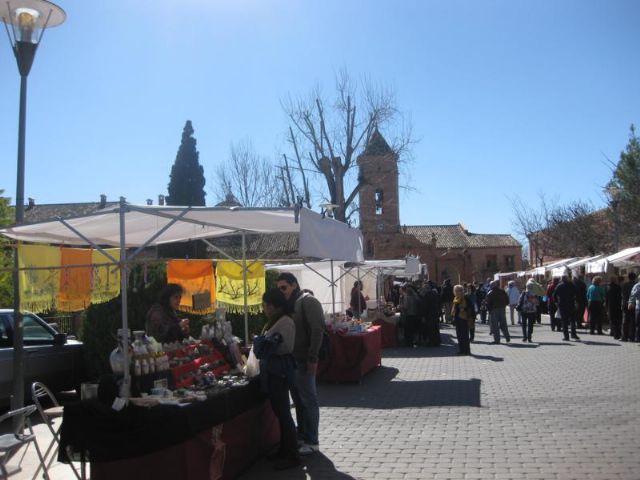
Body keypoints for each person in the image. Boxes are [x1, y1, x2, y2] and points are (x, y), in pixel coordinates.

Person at [275, 272, 324, 456]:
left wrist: (313, 358)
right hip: (292, 361)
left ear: (294, 284)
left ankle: (313, 440)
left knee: (309, 401)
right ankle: (303, 435)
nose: (282, 292)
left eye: (284, 288)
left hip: (304, 360)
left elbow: (318, 330)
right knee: (299, 401)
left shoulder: (308, 301)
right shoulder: (289, 305)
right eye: (279, 289)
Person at [255, 288, 300, 470]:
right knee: (280, 412)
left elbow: (286, 347)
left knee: (284, 413)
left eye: (266, 305)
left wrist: (268, 344)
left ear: (273, 306)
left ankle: (292, 455)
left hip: (280, 371)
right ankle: (284, 450)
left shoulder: (286, 321)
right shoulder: (276, 321)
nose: (265, 309)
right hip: (273, 370)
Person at [553, 275, 579, 341]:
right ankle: (573, 334)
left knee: (564, 321)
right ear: (567, 279)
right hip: (571, 304)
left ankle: (566, 336)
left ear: (562, 279)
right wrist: (576, 302)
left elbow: (554, 295)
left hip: (562, 304)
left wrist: (556, 302)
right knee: (572, 320)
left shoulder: (559, 286)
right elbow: (577, 293)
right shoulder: (572, 285)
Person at [451, 284, 471, 355]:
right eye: (455, 291)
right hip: (458, 318)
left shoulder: (463, 298)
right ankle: (462, 350)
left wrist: (460, 310)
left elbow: (464, 308)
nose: (455, 292)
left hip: (462, 318)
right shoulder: (456, 298)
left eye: (457, 291)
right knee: (460, 335)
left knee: (463, 335)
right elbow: (454, 308)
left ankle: (465, 350)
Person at [621, 272, 637, 341]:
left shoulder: (625, 285)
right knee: (633, 321)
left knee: (625, 320)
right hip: (634, 304)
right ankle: (632, 336)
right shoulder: (636, 285)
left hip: (625, 304)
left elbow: (622, 294)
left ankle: (625, 336)